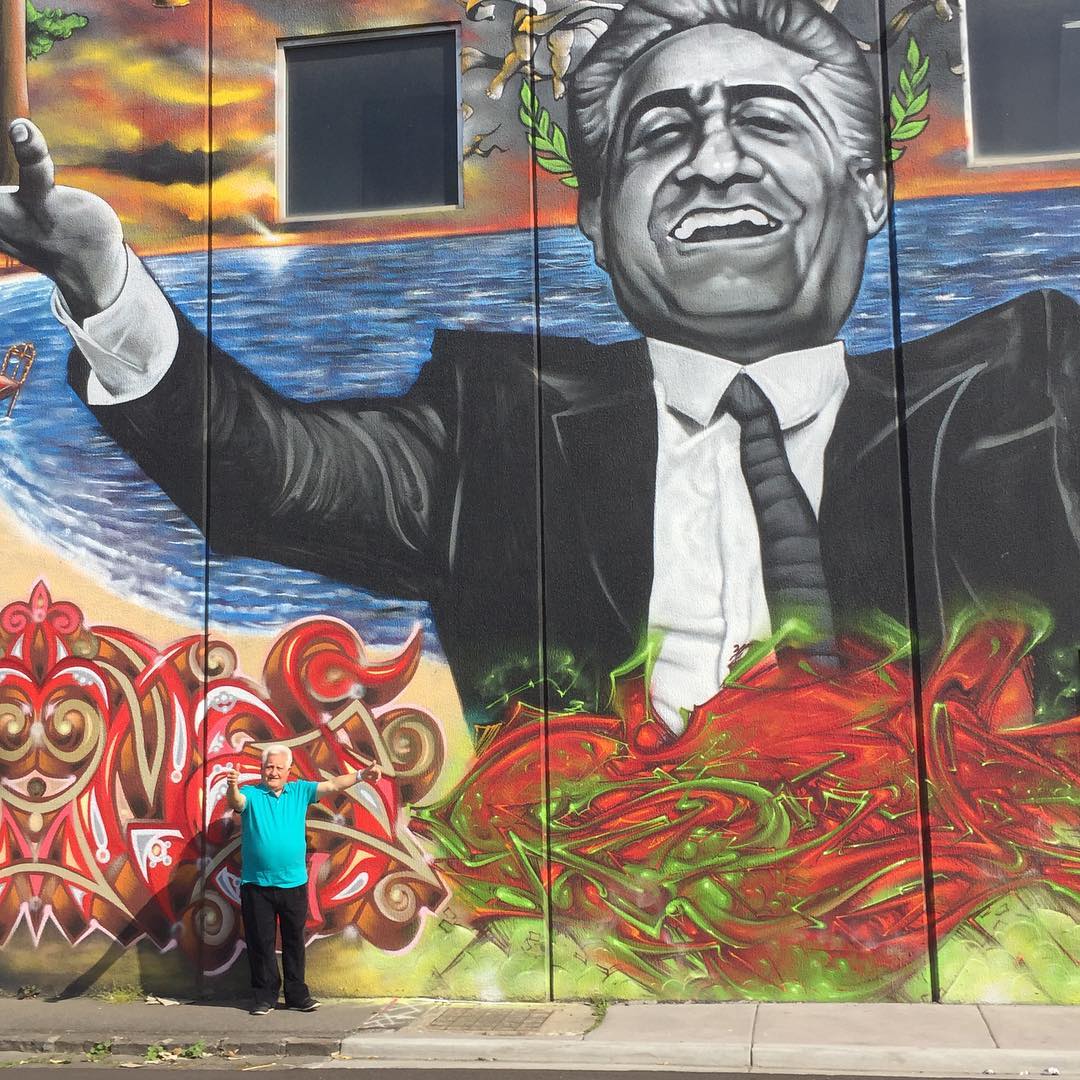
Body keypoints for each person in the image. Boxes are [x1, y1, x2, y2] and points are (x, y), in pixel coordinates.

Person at [0, 0, 1077, 735]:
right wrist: (105, 279)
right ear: (597, 221)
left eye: (763, 119)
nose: (712, 162)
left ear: (869, 191)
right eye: (662, 133)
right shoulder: (494, 432)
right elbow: (263, 475)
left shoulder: (1034, 395)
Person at [225, 744, 382, 1015]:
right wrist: (233, 786)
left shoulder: (299, 791)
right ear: (262, 770)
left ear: (288, 771)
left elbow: (332, 785)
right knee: (261, 942)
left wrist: (361, 775)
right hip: (257, 884)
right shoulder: (251, 793)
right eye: (268, 767)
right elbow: (236, 803)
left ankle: (297, 995)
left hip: (293, 883)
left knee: (294, 941)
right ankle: (265, 997)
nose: (272, 772)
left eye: (277, 767)